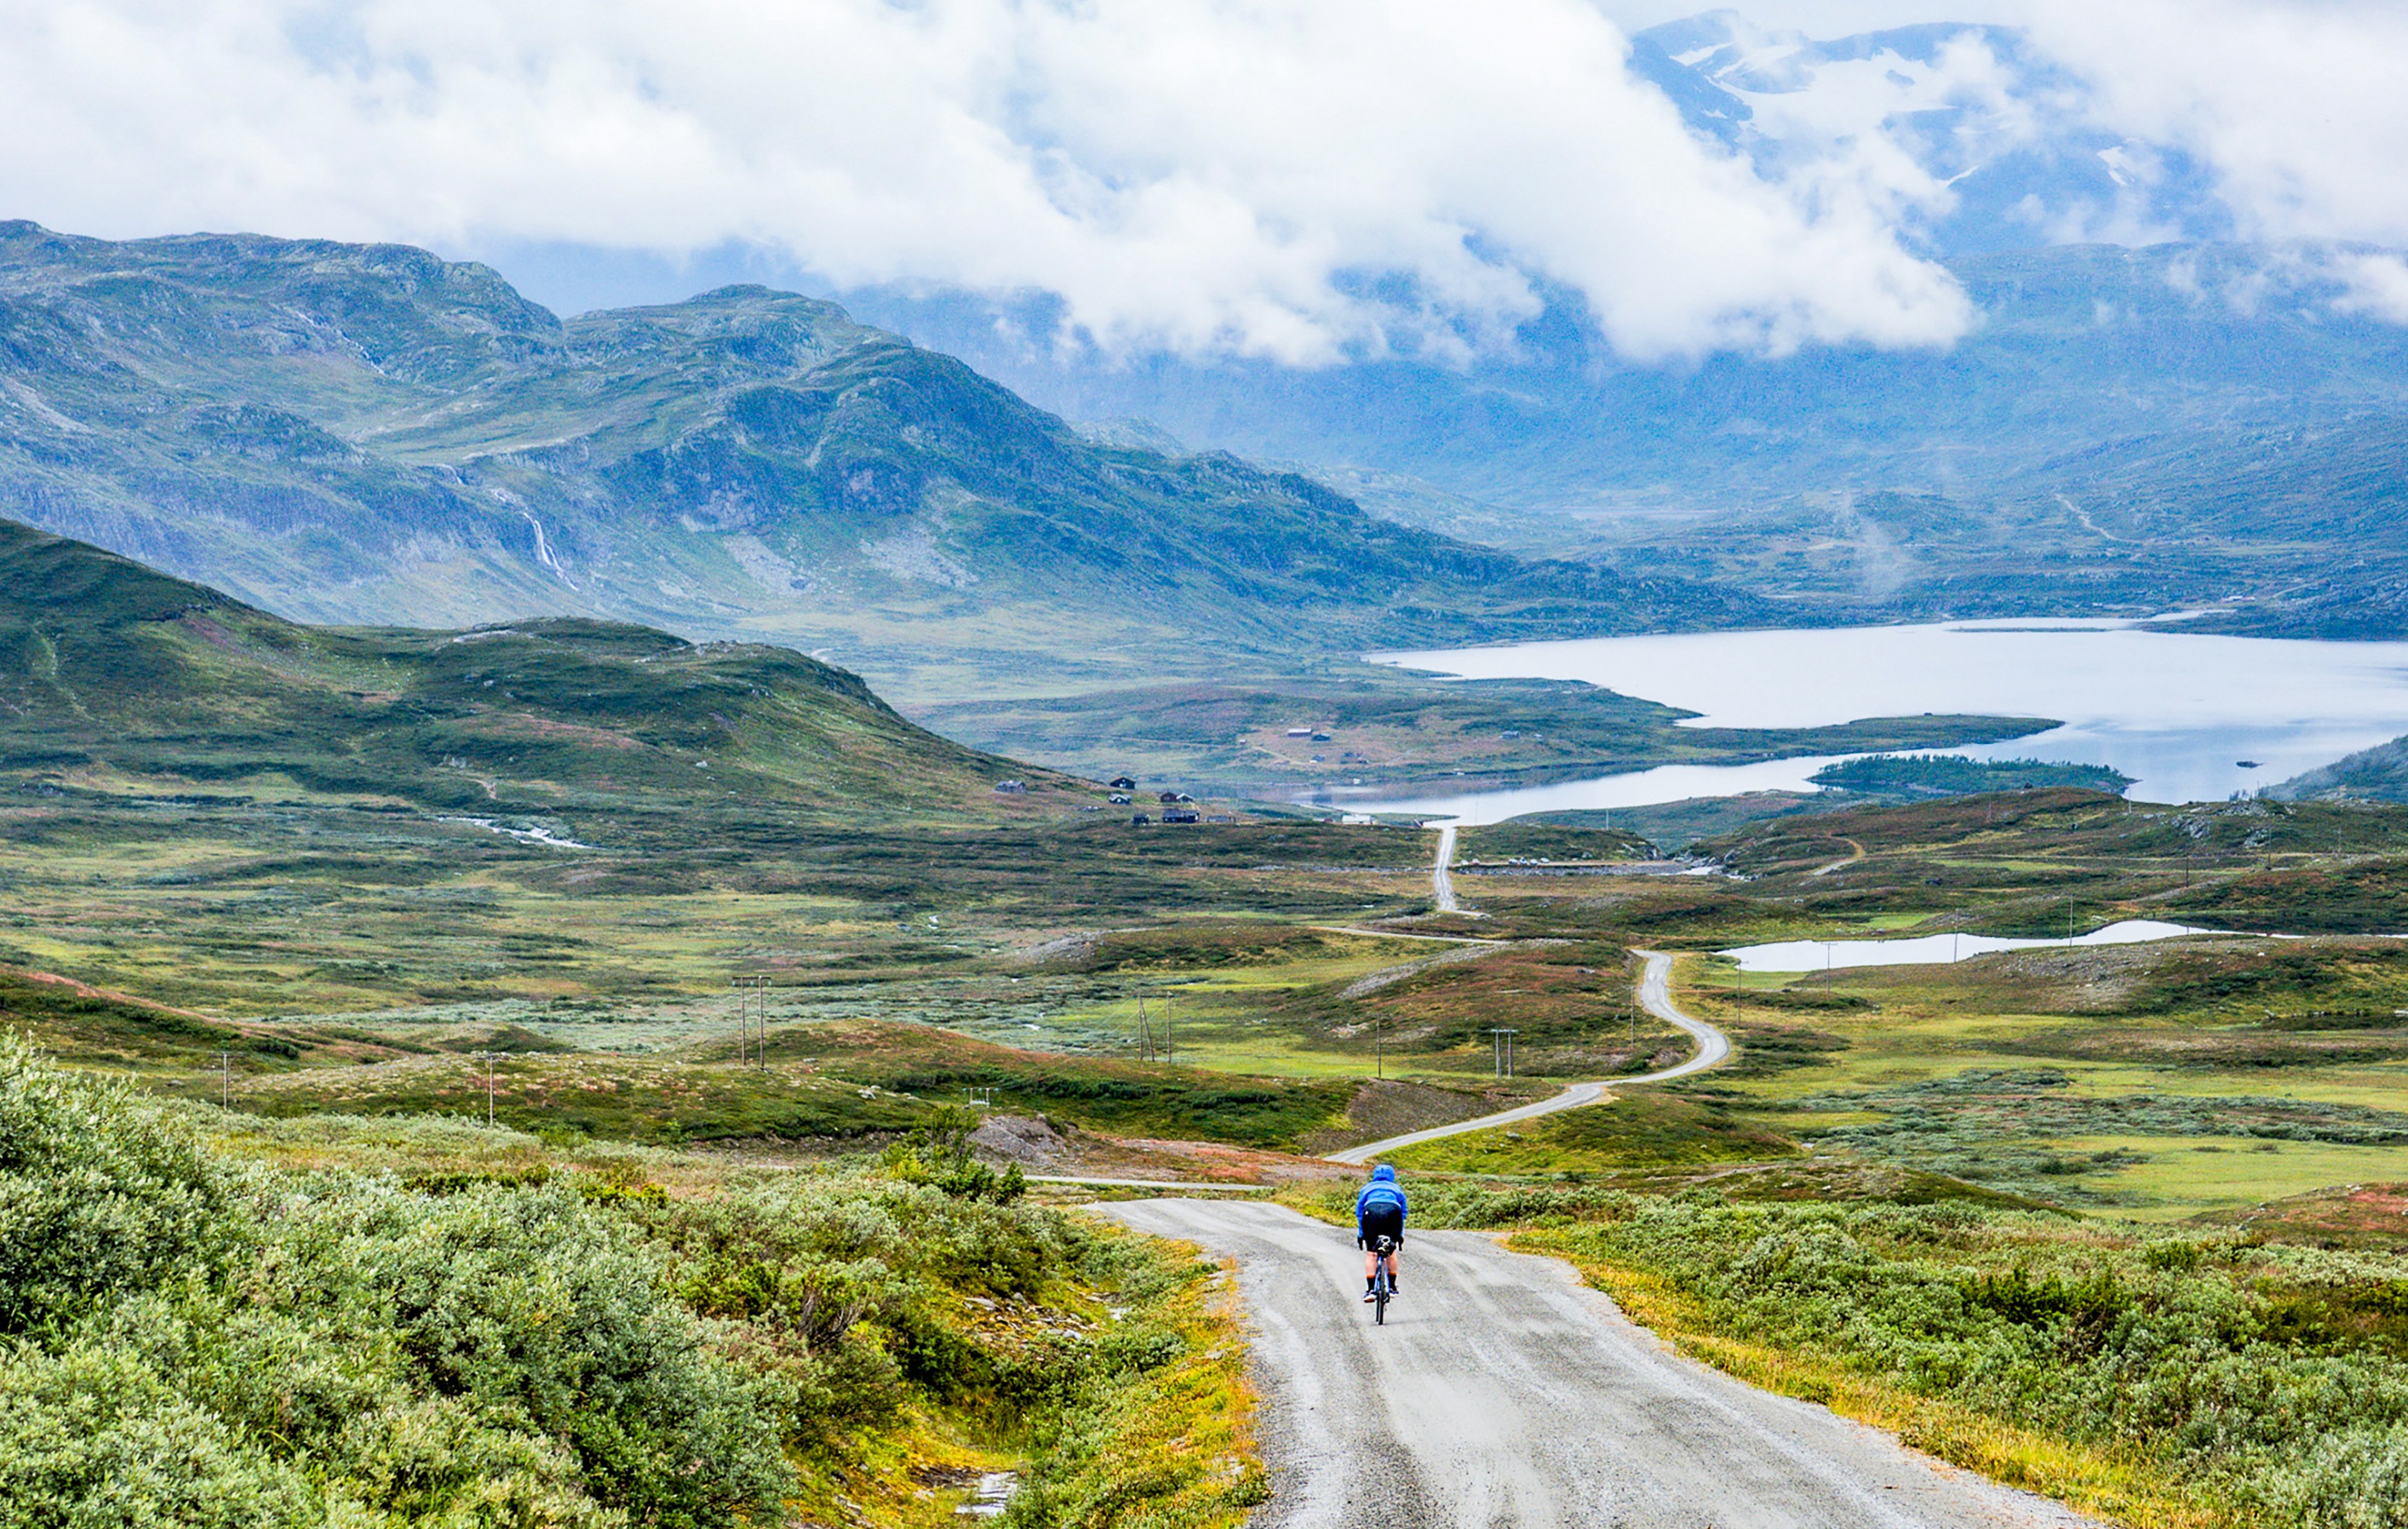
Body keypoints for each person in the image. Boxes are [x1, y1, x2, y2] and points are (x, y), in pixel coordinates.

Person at [1354, 1163, 1407, 1303]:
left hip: (1371, 1212)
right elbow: (1402, 1214)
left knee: (1372, 1254)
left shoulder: (1367, 1188)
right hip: (1393, 1212)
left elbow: (1359, 1213)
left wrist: (1362, 1234)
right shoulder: (1397, 1189)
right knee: (1391, 1251)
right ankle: (1392, 1287)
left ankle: (1371, 1290)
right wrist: (1398, 1236)